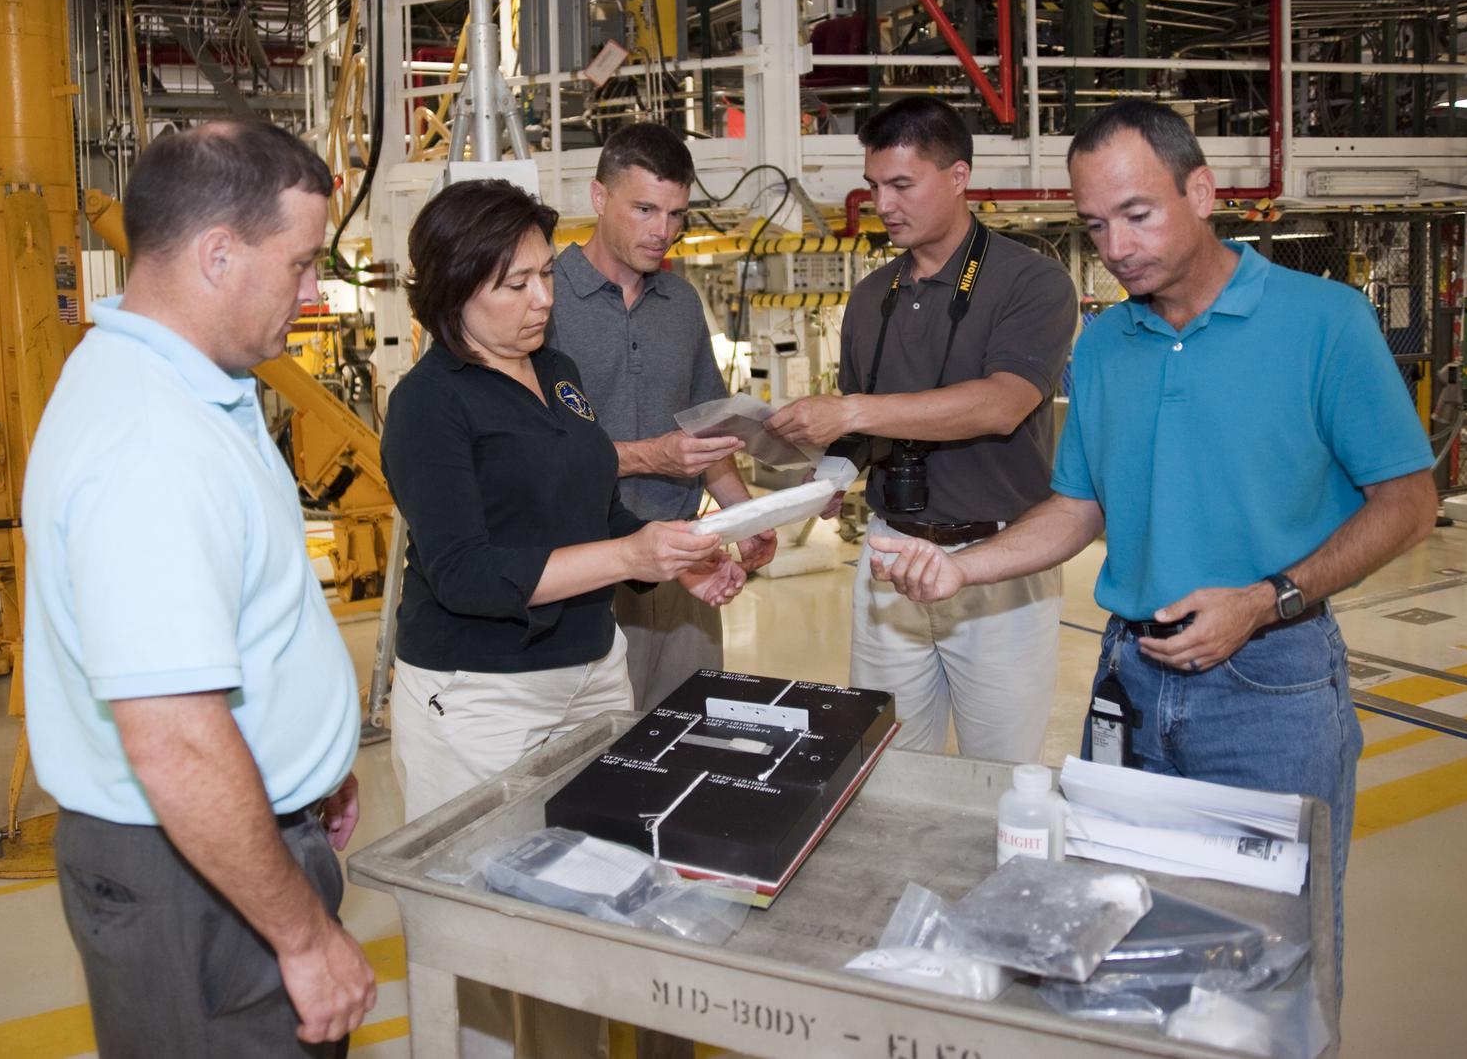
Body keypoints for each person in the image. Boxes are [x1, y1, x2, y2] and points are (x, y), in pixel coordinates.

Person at [870, 99, 1438, 981]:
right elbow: (1077, 507)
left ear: (1201, 192)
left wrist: (1267, 599)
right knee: (1130, 938)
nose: (1117, 246)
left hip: (1272, 683)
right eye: (1096, 225)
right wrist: (960, 568)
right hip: (1129, 677)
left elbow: (1409, 500)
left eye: (1137, 214)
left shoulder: (1323, 321)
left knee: (1279, 955)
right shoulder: (1105, 345)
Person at [22, 121, 374, 1057]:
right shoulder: (152, 444)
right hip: (197, 879)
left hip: (224, 844)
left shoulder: (186, 385)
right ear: (218, 254)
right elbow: (175, 740)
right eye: (300, 263)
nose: (313, 292)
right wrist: (304, 937)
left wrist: (311, 762)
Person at [380, 178, 744, 1059]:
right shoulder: (429, 403)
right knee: (487, 939)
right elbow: (466, 573)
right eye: (515, 284)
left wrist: (675, 555)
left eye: (545, 274)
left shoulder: (558, 374)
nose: (543, 298)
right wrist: (626, 558)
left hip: (589, 674)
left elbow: (591, 507)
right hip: (482, 699)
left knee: (584, 914)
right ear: (453, 290)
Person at [766, 97, 1077, 760]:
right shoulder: (869, 297)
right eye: (874, 185)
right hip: (889, 553)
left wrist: (852, 411)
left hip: (996, 561)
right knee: (886, 760)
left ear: (958, 176)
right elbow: (860, 430)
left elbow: (1002, 403)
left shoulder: (1031, 282)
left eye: (902, 184)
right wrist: (828, 474)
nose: (883, 203)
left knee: (999, 767)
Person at [548, 123, 777, 709]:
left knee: (688, 728)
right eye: (645, 209)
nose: (663, 231)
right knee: (594, 746)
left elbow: (706, 432)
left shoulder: (681, 304)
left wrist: (746, 514)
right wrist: (654, 455)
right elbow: (534, 455)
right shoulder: (545, 299)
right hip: (583, 570)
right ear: (599, 197)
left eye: (676, 214)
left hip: (683, 563)